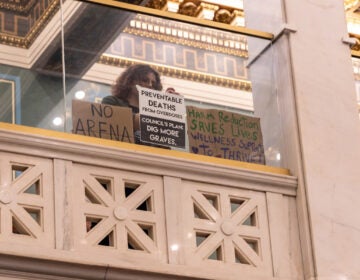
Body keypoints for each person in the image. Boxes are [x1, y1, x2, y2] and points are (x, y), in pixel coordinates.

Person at [102, 64, 177, 145]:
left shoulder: (155, 111)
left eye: (153, 83)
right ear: (130, 82)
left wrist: (168, 108)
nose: (150, 85)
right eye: (145, 80)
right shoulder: (112, 101)